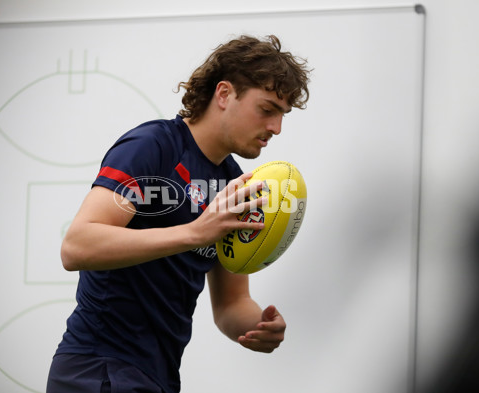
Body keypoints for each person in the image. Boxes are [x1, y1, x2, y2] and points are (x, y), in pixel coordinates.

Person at [46, 34, 310, 393]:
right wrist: (195, 233)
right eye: (267, 109)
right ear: (224, 94)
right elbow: (76, 246)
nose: (276, 128)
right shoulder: (153, 147)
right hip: (99, 367)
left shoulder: (235, 182)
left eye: (282, 115)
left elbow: (231, 304)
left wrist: (259, 326)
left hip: (159, 376)